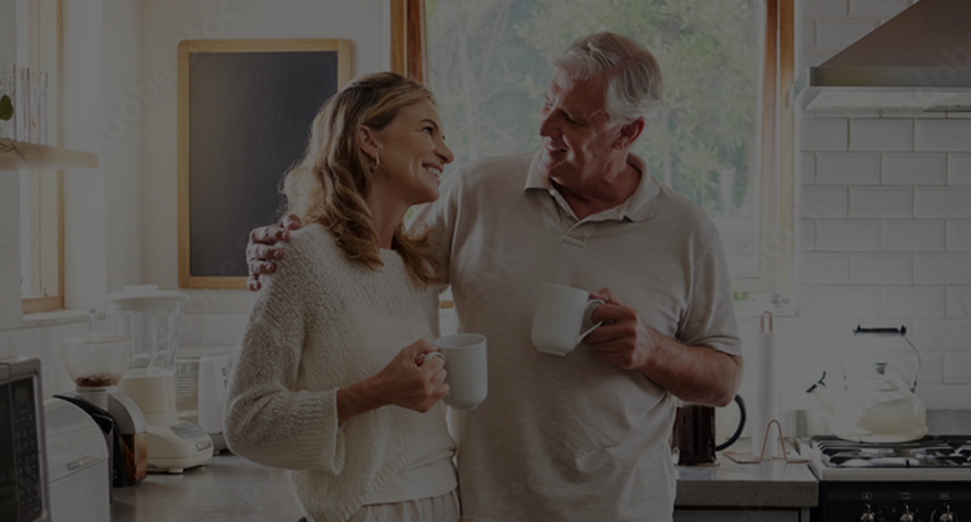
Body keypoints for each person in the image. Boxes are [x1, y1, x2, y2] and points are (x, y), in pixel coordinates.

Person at [246, 32, 743, 522]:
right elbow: (377, 262)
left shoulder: (686, 231)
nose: (545, 125)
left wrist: (651, 349)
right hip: (486, 506)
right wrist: (292, 241)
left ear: (626, 132)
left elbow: (723, 381)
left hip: (624, 508)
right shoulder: (477, 191)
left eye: (571, 118)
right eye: (548, 103)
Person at [225, 71, 462, 522]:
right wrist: (374, 393)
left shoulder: (420, 268)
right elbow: (245, 422)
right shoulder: (302, 256)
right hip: (365, 508)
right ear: (369, 140)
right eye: (428, 130)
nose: (447, 152)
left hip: (444, 498)